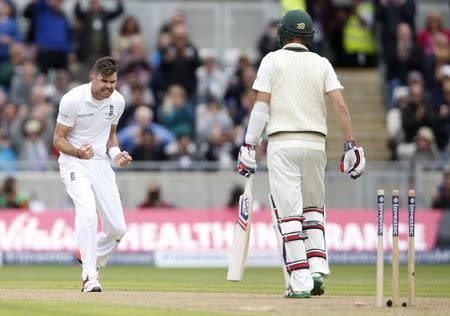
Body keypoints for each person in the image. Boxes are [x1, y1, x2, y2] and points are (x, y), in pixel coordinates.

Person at [236, 10, 366, 299]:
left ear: (282, 34)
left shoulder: (272, 60)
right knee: (313, 210)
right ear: (310, 36)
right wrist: (350, 146)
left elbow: (261, 107)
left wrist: (248, 144)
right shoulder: (322, 63)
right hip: (315, 145)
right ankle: (318, 268)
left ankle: (301, 280)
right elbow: (340, 107)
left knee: (289, 214)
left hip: (283, 143)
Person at [53, 57, 132, 292]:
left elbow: (110, 138)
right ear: (92, 79)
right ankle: (89, 276)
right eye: (105, 81)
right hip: (74, 162)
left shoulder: (117, 101)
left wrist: (117, 155)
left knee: (117, 228)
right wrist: (78, 152)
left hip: (100, 163)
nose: (109, 86)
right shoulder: (72, 100)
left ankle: (87, 254)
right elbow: (57, 139)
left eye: (113, 81)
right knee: (87, 213)